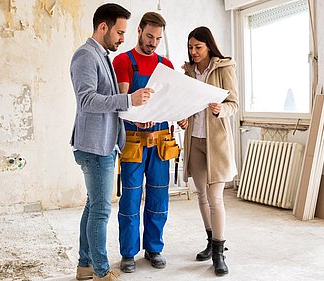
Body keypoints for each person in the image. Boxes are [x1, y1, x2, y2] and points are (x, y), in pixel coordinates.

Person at [69, 4, 154, 281]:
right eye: (119, 32)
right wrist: (129, 99)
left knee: (93, 206)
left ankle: (85, 267)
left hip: (102, 143)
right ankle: (101, 271)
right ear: (102, 27)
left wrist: (133, 114)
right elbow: (87, 100)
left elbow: (108, 101)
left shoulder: (101, 54)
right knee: (102, 210)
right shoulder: (85, 55)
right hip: (94, 147)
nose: (122, 38)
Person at [112, 12, 176, 273]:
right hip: (133, 140)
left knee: (159, 196)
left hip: (161, 139)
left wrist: (178, 117)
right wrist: (138, 120)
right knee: (131, 197)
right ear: (139, 31)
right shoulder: (122, 61)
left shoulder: (167, 65)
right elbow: (122, 101)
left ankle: (154, 248)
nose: (153, 42)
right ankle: (128, 253)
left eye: (158, 38)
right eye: (149, 36)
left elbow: (170, 101)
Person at [177, 26, 239, 277]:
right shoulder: (189, 72)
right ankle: (210, 241)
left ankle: (219, 253)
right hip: (195, 141)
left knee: (215, 197)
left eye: (198, 47)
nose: (193, 52)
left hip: (217, 143)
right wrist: (183, 119)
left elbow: (234, 103)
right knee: (201, 195)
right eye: (190, 47)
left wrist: (219, 110)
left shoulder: (224, 68)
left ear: (208, 46)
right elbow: (186, 105)